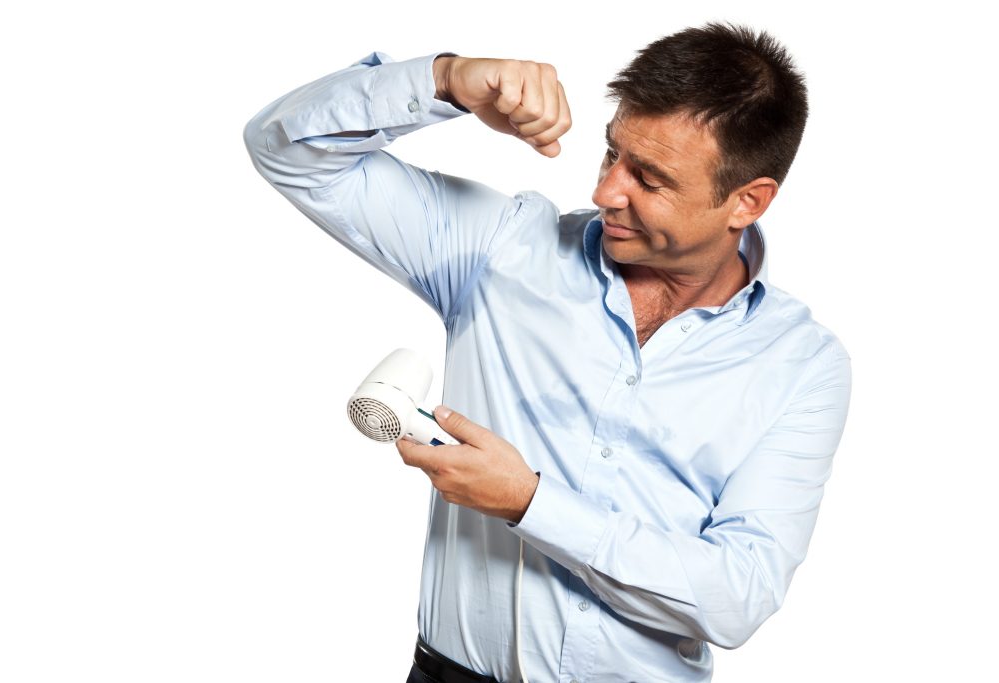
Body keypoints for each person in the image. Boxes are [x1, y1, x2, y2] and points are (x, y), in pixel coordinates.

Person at [243, 22, 851, 683]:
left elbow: (736, 597)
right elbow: (286, 151)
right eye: (612, 153)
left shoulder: (801, 365)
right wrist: (445, 80)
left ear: (748, 201)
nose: (606, 191)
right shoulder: (501, 250)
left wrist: (529, 502)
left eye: (648, 178)